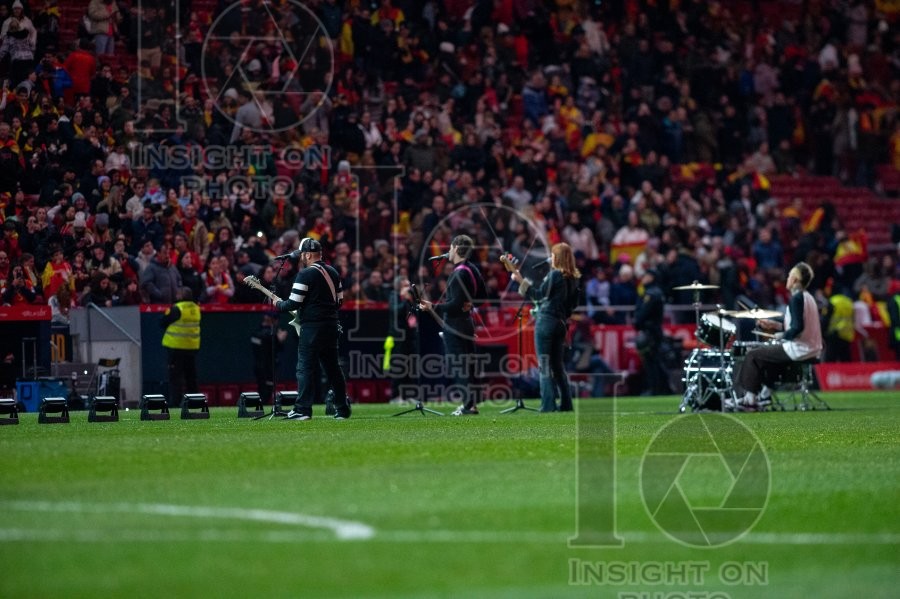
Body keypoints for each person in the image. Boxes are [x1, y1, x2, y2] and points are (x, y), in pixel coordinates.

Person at [272, 237, 350, 420]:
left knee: (305, 368)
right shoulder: (333, 272)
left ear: (307, 255)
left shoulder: (305, 274)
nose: (300, 258)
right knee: (333, 369)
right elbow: (339, 301)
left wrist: (278, 303)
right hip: (331, 326)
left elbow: (292, 303)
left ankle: (302, 409)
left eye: (302, 255)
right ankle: (342, 409)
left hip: (312, 327)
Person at [732, 262, 823, 411]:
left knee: (753, 355)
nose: (787, 278)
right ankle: (765, 396)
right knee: (770, 358)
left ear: (795, 279)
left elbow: (797, 328)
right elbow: (799, 325)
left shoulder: (796, 299)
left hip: (800, 348)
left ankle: (749, 400)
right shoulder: (809, 298)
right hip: (812, 347)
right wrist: (775, 326)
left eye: (789, 276)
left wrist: (781, 336)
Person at [510, 242, 581, 412]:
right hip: (561, 324)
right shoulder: (574, 278)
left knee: (545, 365)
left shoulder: (555, 275)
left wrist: (520, 280)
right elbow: (572, 305)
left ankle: (548, 405)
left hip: (547, 322)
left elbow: (538, 294)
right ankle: (566, 405)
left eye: (553, 254)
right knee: (558, 367)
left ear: (557, 257)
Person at [419, 234, 486, 415]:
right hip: (467, 323)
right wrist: (471, 303)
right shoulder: (472, 269)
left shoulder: (458, 273)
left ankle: (467, 405)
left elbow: (455, 305)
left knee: (458, 365)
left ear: (456, 248)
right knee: (469, 365)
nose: (448, 251)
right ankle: (472, 404)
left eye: (450, 247)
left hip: (455, 325)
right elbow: (483, 296)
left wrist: (432, 306)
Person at [160, 287, 201, 407]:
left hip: (176, 347)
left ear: (180, 296)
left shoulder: (177, 308)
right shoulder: (196, 308)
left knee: (175, 378)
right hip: (191, 347)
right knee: (191, 377)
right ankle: (195, 403)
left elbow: (162, 322)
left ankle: (175, 403)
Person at [634, 267, 671, 396]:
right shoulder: (657, 292)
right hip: (655, 330)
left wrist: (637, 322)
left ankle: (655, 388)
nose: (643, 279)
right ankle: (664, 387)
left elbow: (642, 314)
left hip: (650, 331)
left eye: (646, 276)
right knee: (655, 360)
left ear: (651, 278)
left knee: (651, 362)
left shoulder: (651, 294)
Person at [251, 311, 287, 406]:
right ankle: (261, 406)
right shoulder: (267, 333)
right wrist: (279, 339)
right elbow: (277, 346)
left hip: (264, 365)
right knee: (265, 390)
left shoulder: (259, 331)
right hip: (266, 366)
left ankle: (261, 405)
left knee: (266, 389)